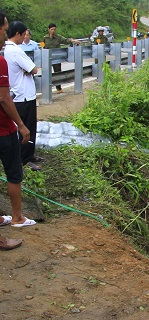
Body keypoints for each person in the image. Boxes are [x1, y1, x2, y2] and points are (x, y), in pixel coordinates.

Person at [0, 10, 36, 230]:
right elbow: (4, 98)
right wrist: (20, 126)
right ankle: (17, 218)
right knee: (14, 174)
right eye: (3, 29)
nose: (4, 35)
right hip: (3, 130)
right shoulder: (3, 59)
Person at [5, 21, 42, 172]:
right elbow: (34, 69)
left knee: (26, 126)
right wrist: (29, 69)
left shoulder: (6, 49)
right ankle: (25, 159)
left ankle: (29, 155)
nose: (25, 37)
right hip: (24, 95)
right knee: (27, 127)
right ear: (18, 34)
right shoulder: (16, 50)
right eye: (24, 34)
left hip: (17, 93)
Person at [43, 23, 80, 93]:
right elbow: (44, 46)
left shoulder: (58, 37)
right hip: (48, 58)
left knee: (58, 72)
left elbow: (65, 40)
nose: (53, 31)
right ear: (48, 29)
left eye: (54, 29)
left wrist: (73, 40)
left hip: (56, 58)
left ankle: (58, 88)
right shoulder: (45, 38)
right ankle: (46, 88)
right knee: (46, 72)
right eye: (52, 29)